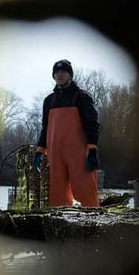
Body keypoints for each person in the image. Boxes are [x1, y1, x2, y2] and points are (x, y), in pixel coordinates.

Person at [32, 59, 101, 207]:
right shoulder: (48, 101)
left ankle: (93, 222)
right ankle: (60, 224)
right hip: (55, 154)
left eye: (63, 71)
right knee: (58, 195)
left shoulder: (82, 97)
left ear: (70, 75)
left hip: (78, 153)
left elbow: (92, 125)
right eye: (56, 72)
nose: (59, 74)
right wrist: (39, 151)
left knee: (86, 190)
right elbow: (46, 128)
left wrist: (92, 150)